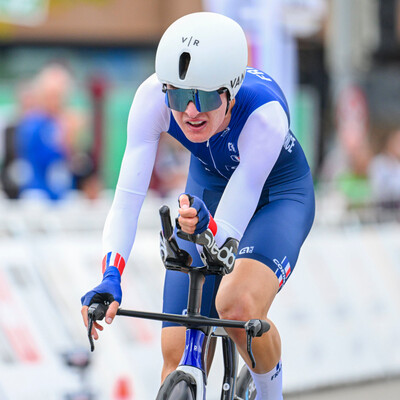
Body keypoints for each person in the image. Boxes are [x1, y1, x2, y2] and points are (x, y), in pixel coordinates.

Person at [81, 12, 315, 399]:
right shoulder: (151, 98)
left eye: (205, 97)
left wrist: (211, 230)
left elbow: (232, 220)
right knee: (176, 347)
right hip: (209, 191)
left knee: (236, 306)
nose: (190, 111)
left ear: (232, 91)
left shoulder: (264, 115)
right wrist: (110, 275)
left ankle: (269, 393)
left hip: (278, 196)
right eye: (178, 96)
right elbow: (126, 200)